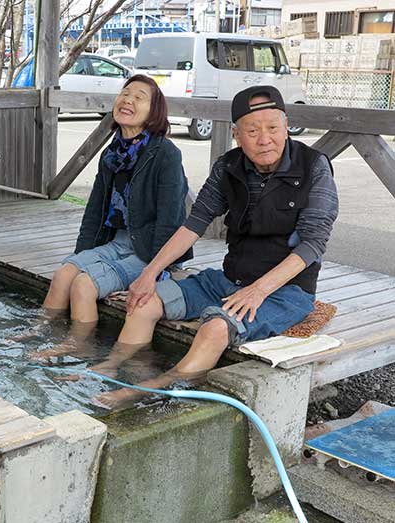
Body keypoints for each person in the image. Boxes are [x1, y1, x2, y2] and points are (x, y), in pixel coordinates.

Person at [95, 85, 339, 409]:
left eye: (272, 128)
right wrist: (150, 274)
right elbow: (194, 223)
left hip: (285, 291)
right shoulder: (229, 166)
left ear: (286, 126)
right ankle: (112, 366)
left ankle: (149, 390)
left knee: (213, 329)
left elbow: (312, 244)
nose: (264, 138)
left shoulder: (314, 167)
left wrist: (258, 291)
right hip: (227, 280)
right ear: (237, 134)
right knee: (143, 301)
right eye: (252, 130)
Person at [26, 75, 192, 356]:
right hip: (116, 241)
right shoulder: (112, 153)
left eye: (139, 97)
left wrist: (157, 272)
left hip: (149, 250)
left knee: (83, 286)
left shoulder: (165, 154)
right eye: (125, 94)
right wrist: (81, 258)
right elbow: (94, 211)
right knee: (65, 273)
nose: (127, 99)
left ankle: (80, 347)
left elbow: (171, 218)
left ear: (154, 112)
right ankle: (41, 329)